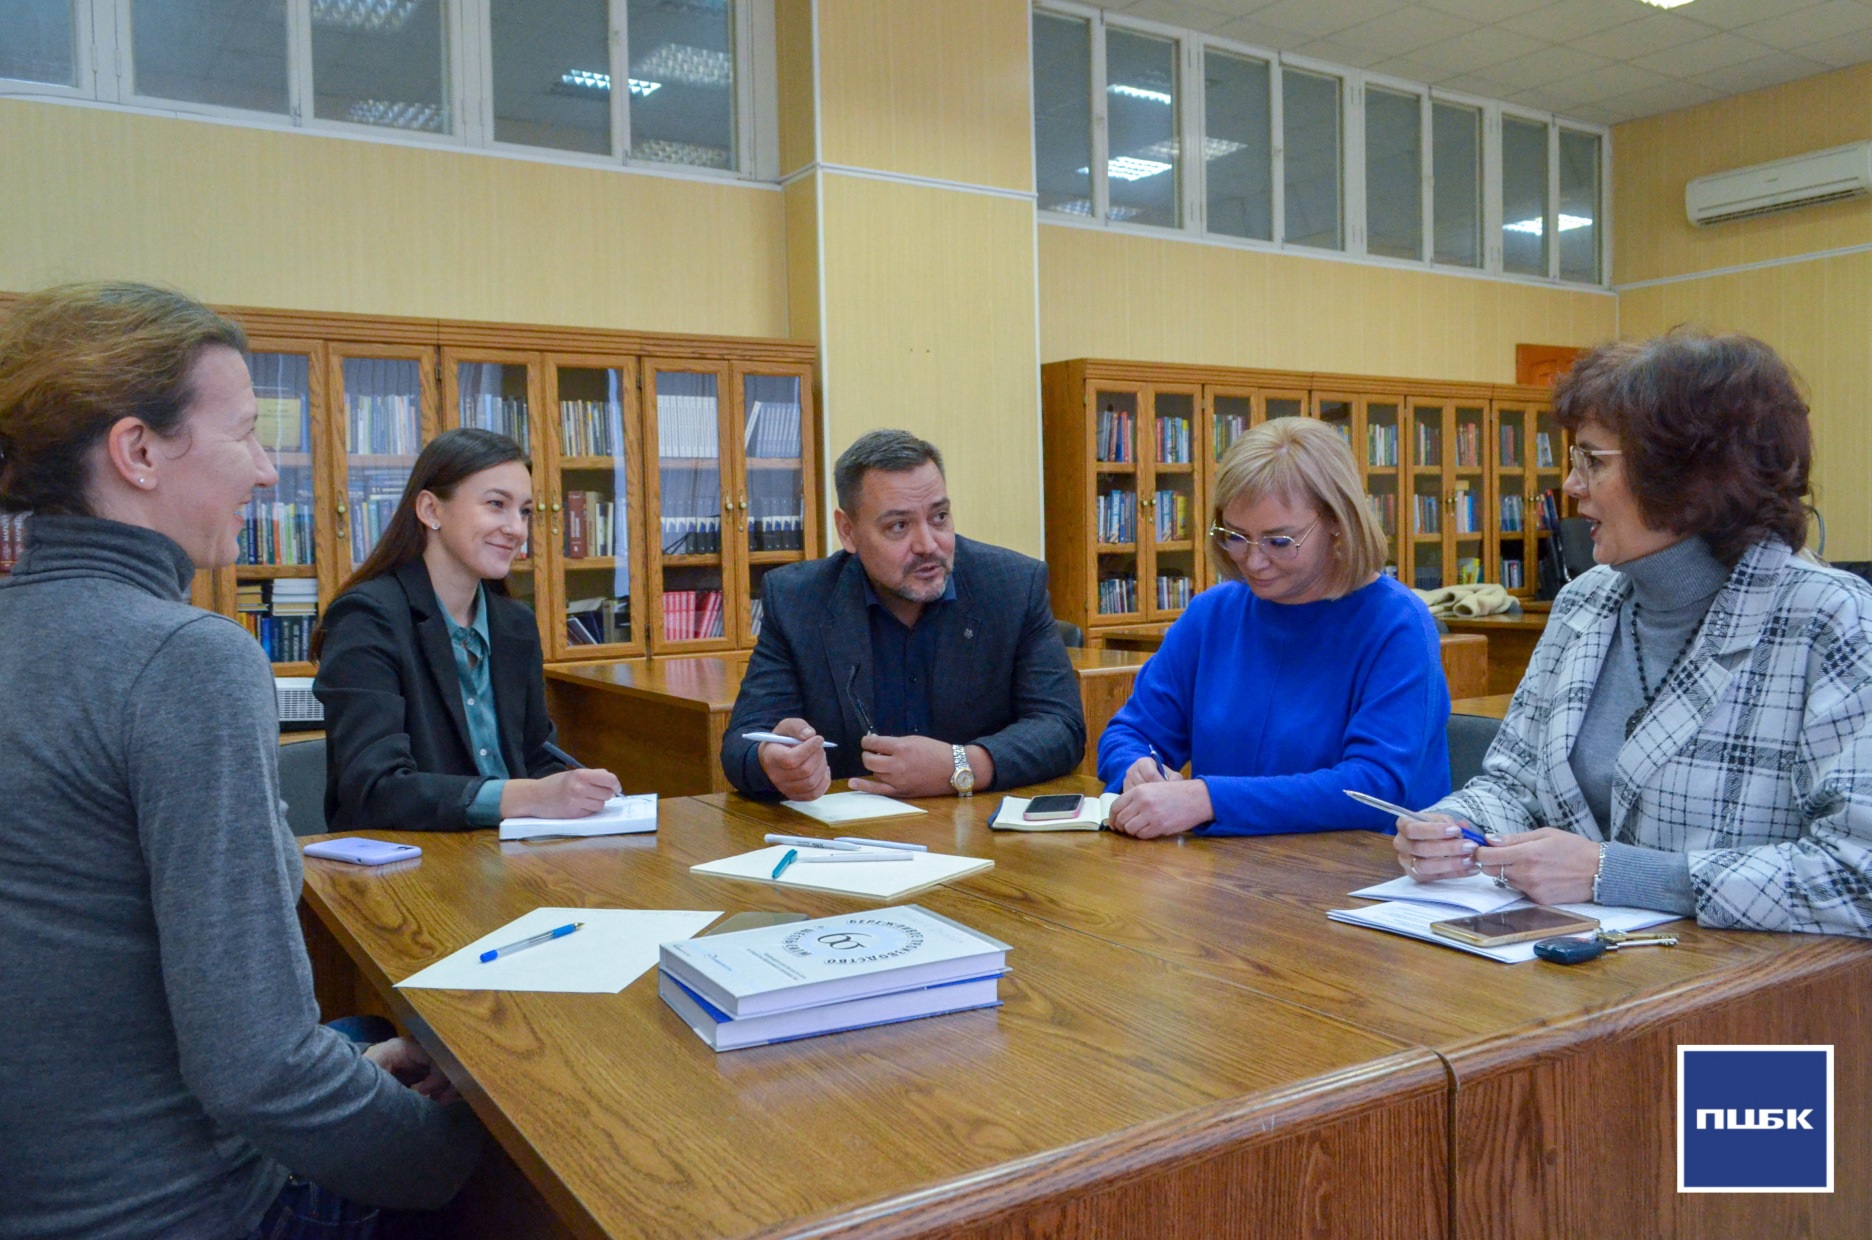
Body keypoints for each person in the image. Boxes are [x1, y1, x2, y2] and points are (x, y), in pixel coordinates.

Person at [0, 282, 480, 1240]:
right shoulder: (186, 658)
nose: (267, 473)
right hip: (185, 1208)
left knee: (363, 1047)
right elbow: (257, 1074)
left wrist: (334, 1070)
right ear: (137, 452)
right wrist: (467, 1159)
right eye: (247, 434)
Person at [1396, 331, 1872, 938]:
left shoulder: (1830, 620)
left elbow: (1858, 877)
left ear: (1692, 477)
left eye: (1592, 461)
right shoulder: (1584, 603)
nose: (1570, 486)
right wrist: (1450, 826)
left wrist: (1614, 873)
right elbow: (1511, 783)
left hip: (1747, 1000)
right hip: (1569, 975)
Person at [1097, 417, 1450, 838]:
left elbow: (1373, 789)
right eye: (1236, 536)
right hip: (1228, 872)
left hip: (1361, 879)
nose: (1253, 560)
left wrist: (1208, 799)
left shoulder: (1397, 624)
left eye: (1279, 542)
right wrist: (1136, 767)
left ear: (1337, 521)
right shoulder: (1212, 615)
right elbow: (1130, 732)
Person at [721, 428, 1086, 800]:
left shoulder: (1013, 586)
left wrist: (961, 765)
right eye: (899, 526)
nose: (928, 545)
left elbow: (1061, 726)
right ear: (848, 532)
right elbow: (742, 741)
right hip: (852, 838)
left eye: (939, 517)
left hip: (979, 827)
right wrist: (772, 759)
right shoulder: (798, 600)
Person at [312, 428, 622, 832]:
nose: (517, 529)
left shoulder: (514, 623)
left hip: (511, 854)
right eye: (497, 505)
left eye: (525, 511)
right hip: (413, 867)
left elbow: (536, 754)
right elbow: (374, 790)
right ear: (430, 510)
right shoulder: (366, 619)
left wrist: (578, 792)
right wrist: (529, 796)